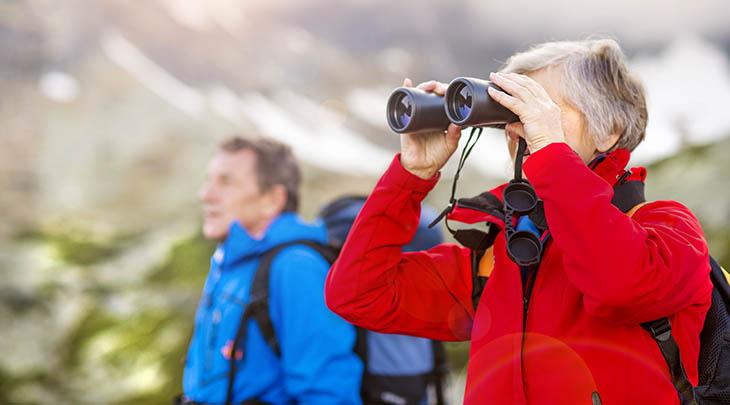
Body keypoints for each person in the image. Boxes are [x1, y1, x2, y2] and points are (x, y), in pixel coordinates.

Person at [325, 39, 713, 405]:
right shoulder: (501, 258)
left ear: (608, 131)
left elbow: (619, 285)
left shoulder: (668, 230)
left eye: (536, 108)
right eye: (509, 112)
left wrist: (551, 153)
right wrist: (411, 176)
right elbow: (358, 294)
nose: (516, 127)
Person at [181, 137, 362, 404]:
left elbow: (328, 394)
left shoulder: (296, 268)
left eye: (226, 182)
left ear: (272, 199)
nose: (205, 194)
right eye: (209, 180)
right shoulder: (229, 261)